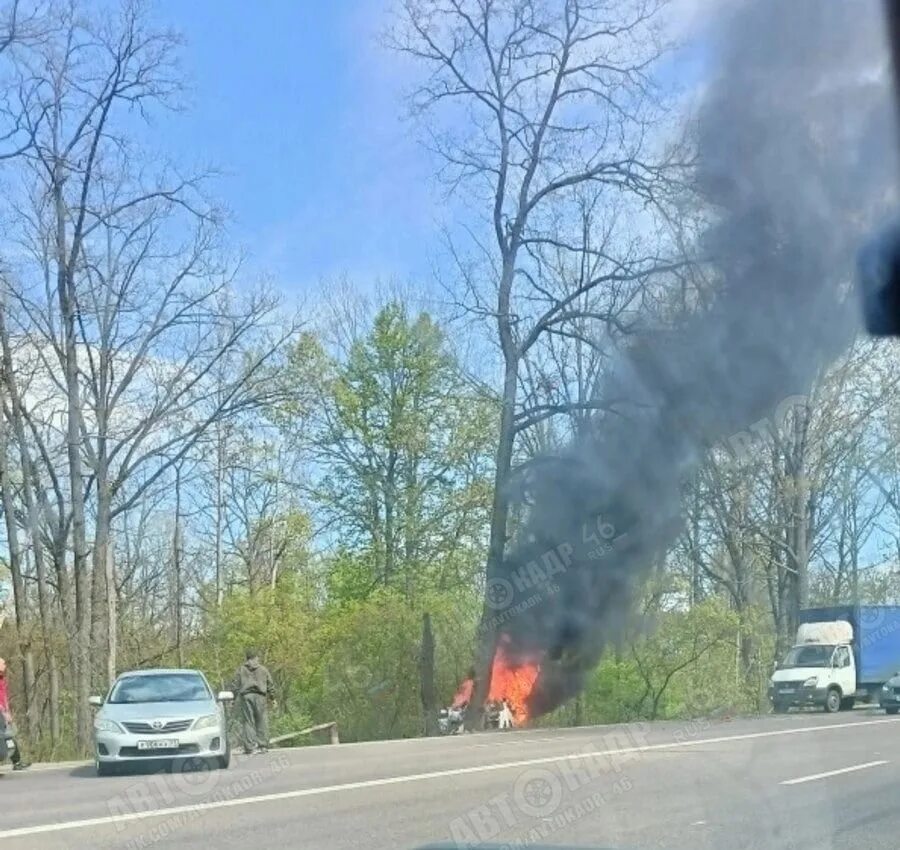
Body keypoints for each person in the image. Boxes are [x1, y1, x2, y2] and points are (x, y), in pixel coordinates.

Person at [229, 649, 276, 755]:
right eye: (257, 657)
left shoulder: (241, 670)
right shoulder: (263, 670)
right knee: (262, 720)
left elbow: (235, 685)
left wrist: (232, 699)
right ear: (255, 658)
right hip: (261, 696)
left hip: (246, 697)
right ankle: (263, 746)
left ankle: (249, 747)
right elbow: (270, 684)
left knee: (248, 721)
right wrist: (273, 698)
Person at [0, 657, 30, 770]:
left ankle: (16, 762)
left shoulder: (2, 679)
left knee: (9, 735)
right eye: (3, 663)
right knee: (5, 736)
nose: (5, 665)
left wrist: (7, 711)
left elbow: (4, 697)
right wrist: (3, 711)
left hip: (3, 712)